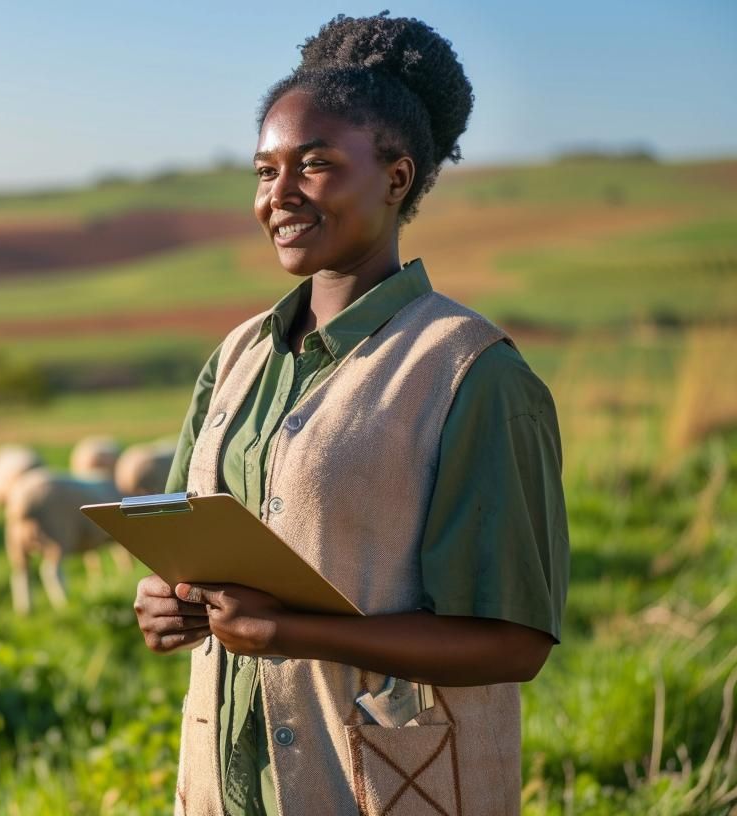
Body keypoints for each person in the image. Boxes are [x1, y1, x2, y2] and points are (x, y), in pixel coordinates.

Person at [131, 13, 569, 816]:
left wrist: (294, 633)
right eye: (265, 171)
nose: (280, 196)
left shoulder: (471, 373)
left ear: (397, 178)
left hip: (390, 790)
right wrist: (168, 602)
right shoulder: (236, 360)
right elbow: (181, 543)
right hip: (228, 787)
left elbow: (516, 642)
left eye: (317, 165)